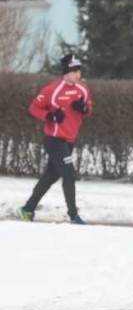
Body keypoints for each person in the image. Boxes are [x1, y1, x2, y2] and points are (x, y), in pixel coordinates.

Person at [18, 53, 93, 225]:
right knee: (69, 175)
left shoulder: (83, 89)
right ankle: (73, 215)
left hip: (69, 140)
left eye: (79, 71)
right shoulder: (52, 90)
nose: (77, 75)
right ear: (66, 72)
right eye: (74, 71)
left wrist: (83, 108)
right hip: (54, 140)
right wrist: (50, 116)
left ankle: (27, 209)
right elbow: (34, 108)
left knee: (50, 176)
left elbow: (89, 108)